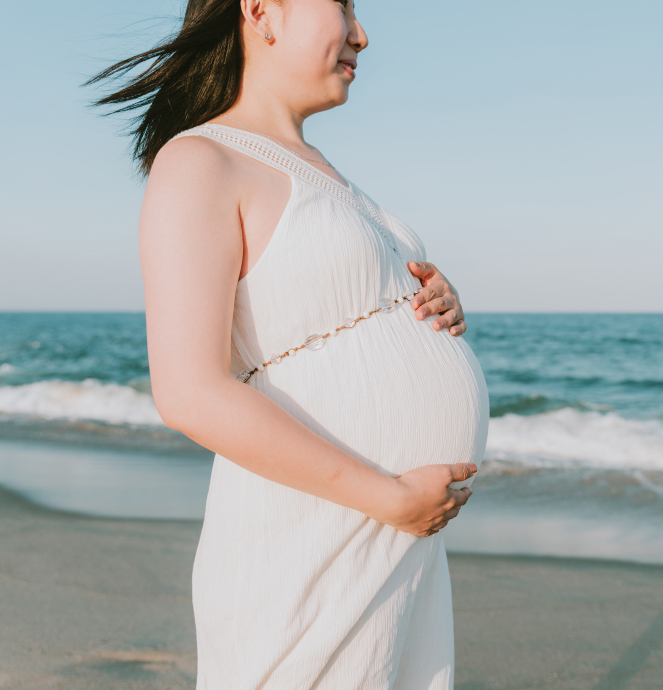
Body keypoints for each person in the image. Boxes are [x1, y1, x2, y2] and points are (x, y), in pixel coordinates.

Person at [86, 0, 485, 685]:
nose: (362, 34)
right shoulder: (201, 161)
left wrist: (424, 301)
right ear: (261, 10)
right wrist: (388, 497)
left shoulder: (330, 175)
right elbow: (188, 391)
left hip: (391, 534)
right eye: (344, 7)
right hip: (320, 527)